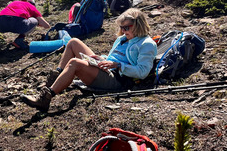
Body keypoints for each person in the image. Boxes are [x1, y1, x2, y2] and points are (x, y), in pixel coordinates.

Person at [22, 8, 157, 111]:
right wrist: (101, 59)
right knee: (73, 42)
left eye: (126, 27)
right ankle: (53, 81)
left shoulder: (146, 44)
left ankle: (46, 97)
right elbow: (112, 58)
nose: (123, 30)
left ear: (138, 25)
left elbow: (142, 72)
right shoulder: (123, 39)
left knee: (75, 63)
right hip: (108, 68)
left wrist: (118, 65)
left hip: (118, 79)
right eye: (121, 27)